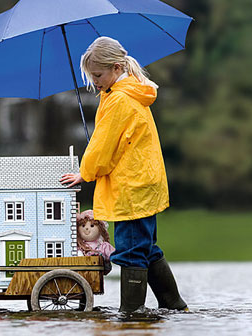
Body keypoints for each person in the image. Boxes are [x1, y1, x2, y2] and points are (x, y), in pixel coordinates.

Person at [60, 36, 187, 313]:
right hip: (144, 185)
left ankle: (131, 314)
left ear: (117, 68)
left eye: (98, 75)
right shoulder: (130, 93)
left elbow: (103, 146)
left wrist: (85, 172)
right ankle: (175, 306)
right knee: (145, 248)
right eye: (91, 76)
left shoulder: (119, 99)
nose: (95, 82)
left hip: (130, 187)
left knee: (130, 252)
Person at [76, 209, 115, 275]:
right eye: (83, 226)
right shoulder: (80, 246)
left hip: (97, 273)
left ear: (100, 229)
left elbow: (113, 254)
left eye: (92, 226)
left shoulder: (103, 246)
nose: (87, 228)